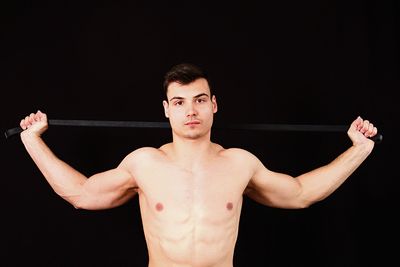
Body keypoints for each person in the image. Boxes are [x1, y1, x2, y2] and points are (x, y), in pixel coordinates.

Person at [19, 63, 378, 267]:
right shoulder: (145, 163)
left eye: (199, 100)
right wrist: (32, 141)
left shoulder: (240, 163)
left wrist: (359, 150)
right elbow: (81, 194)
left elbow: (300, 193)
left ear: (214, 105)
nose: (190, 110)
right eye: (179, 102)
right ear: (166, 109)